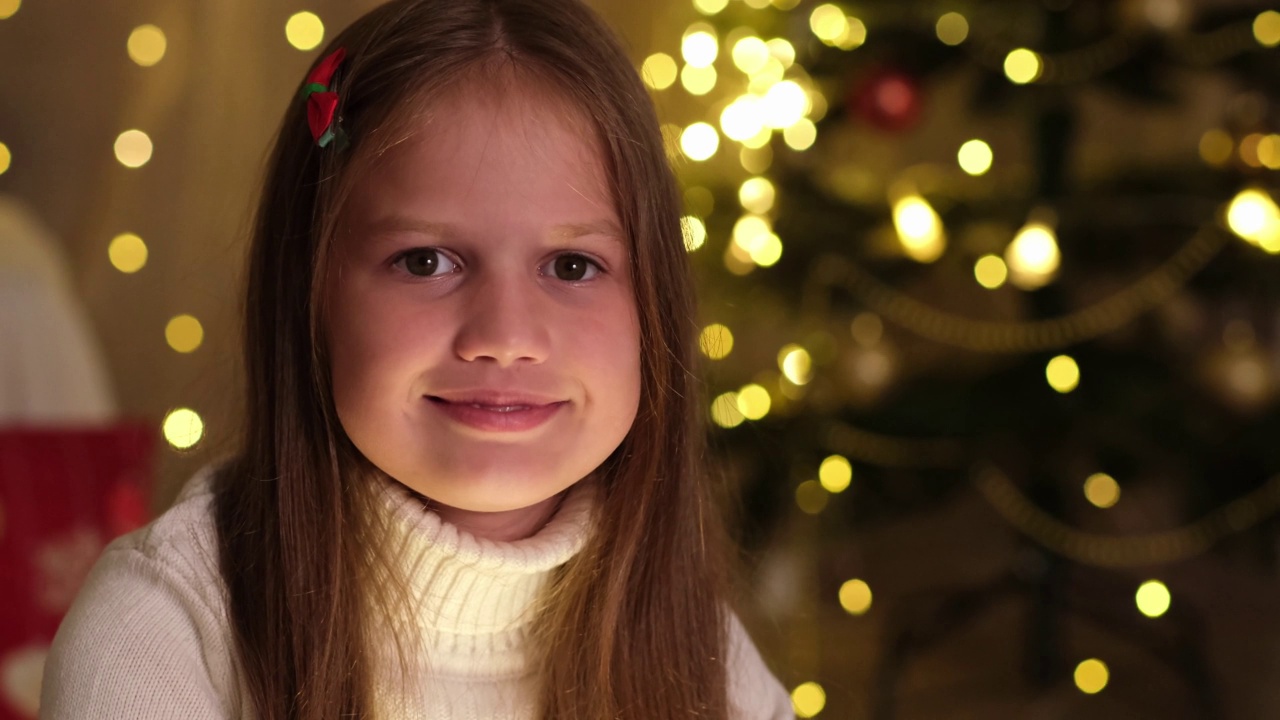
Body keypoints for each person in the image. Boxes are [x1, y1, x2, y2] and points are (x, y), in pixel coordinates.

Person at [39, 0, 795, 717]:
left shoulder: (703, 658)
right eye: (426, 262)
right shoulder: (163, 633)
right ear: (310, 289)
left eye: (571, 266)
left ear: (653, 306)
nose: (505, 333)